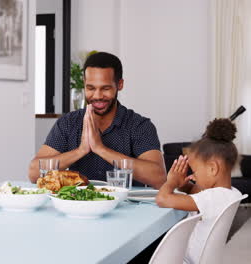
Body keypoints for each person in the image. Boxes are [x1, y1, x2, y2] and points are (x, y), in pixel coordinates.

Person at [28, 52, 166, 188]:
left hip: (128, 205)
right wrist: (80, 150)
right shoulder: (68, 123)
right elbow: (34, 173)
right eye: (91, 88)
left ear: (120, 85)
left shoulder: (139, 125)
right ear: (84, 84)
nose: (97, 96)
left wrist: (100, 149)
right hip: (80, 205)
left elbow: (159, 177)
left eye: (105, 88)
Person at [156, 118, 243, 264]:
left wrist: (171, 181)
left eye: (195, 171)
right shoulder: (229, 193)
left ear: (212, 168)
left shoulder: (212, 198)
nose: (193, 176)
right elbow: (195, 193)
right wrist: (183, 185)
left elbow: (162, 199)